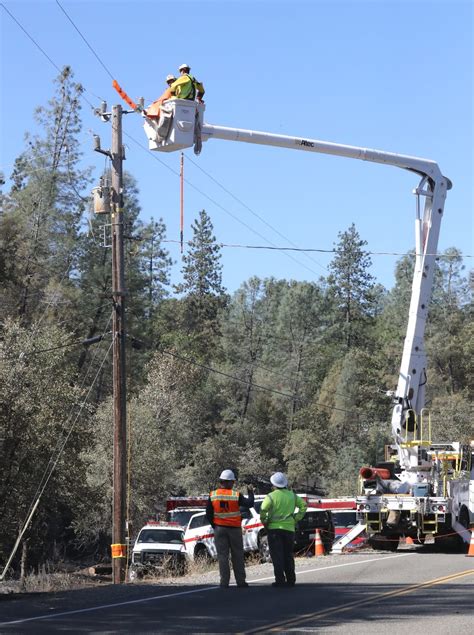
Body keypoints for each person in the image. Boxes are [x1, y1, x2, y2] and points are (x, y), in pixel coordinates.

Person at [206, 469, 254, 588]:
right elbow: (250, 503)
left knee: (222, 556)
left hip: (220, 529)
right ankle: (241, 582)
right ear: (229, 482)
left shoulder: (213, 495)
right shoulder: (236, 495)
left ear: (222, 481)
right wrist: (251, 492)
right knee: (237, 555)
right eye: (232, 482)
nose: (233, 484)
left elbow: (208, 513)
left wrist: (215, 525)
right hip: (234, 529)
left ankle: (224, 582)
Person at [259, 472, 307, 587]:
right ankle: (291, 580)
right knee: (288, 555)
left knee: (277, 555)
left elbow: (263, 510)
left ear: (273, 485)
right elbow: (303, 506)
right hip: (289, 529)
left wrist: (265, 523)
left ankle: (280, 580)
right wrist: (296, 518)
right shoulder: (292, 495)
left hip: (274, 530)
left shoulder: (271, 496)